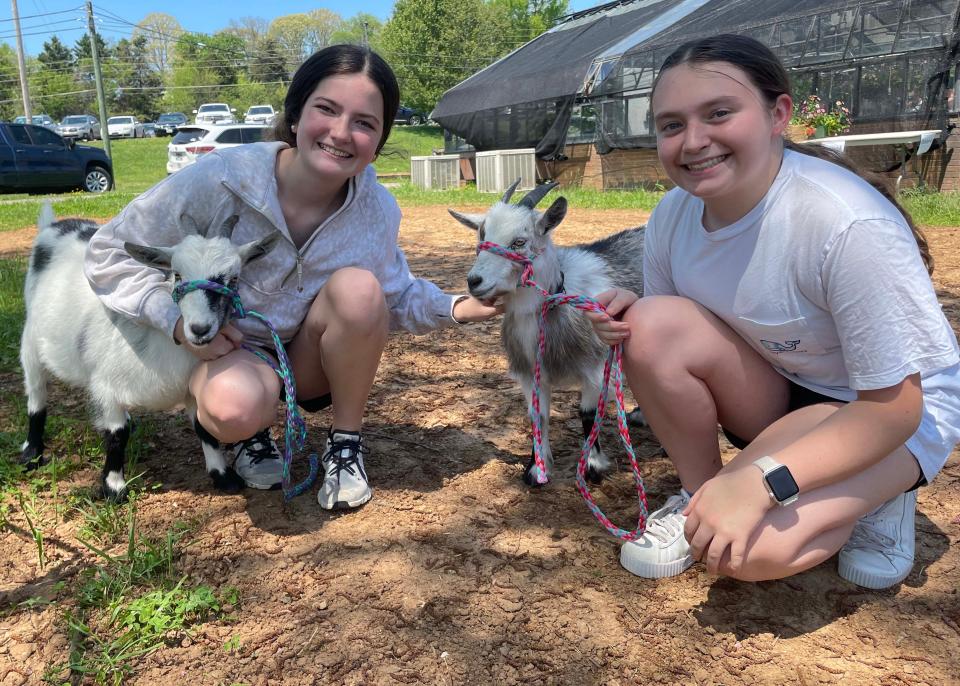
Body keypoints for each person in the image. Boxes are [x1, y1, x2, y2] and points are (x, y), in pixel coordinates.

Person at [589, 34, 960, 588]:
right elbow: (680, 325)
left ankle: (884, 495)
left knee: (749, 555)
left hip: (888, 411)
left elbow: (895, 407)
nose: (693, 142)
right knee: (650, 324)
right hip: (785, 385)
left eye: (719, 113)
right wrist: (631, 313)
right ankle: (700, 493)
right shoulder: (673, 215)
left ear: (777, 113)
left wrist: (763, 481)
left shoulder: (846, 224)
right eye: (670, 125)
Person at [84, 45, 498, 510]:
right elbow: (107, 253)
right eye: (327, 109)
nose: (341, 133)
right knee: (233, 407)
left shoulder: (376, 209)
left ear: (378, 141)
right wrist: (173, 321)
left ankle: (345, 445)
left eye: (365, 122)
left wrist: (458, 307)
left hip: (304, 354)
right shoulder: (220, 180)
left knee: (360, 290)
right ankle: (248, 434)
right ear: (297, 116)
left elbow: (392, 294)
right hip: (231, 349)